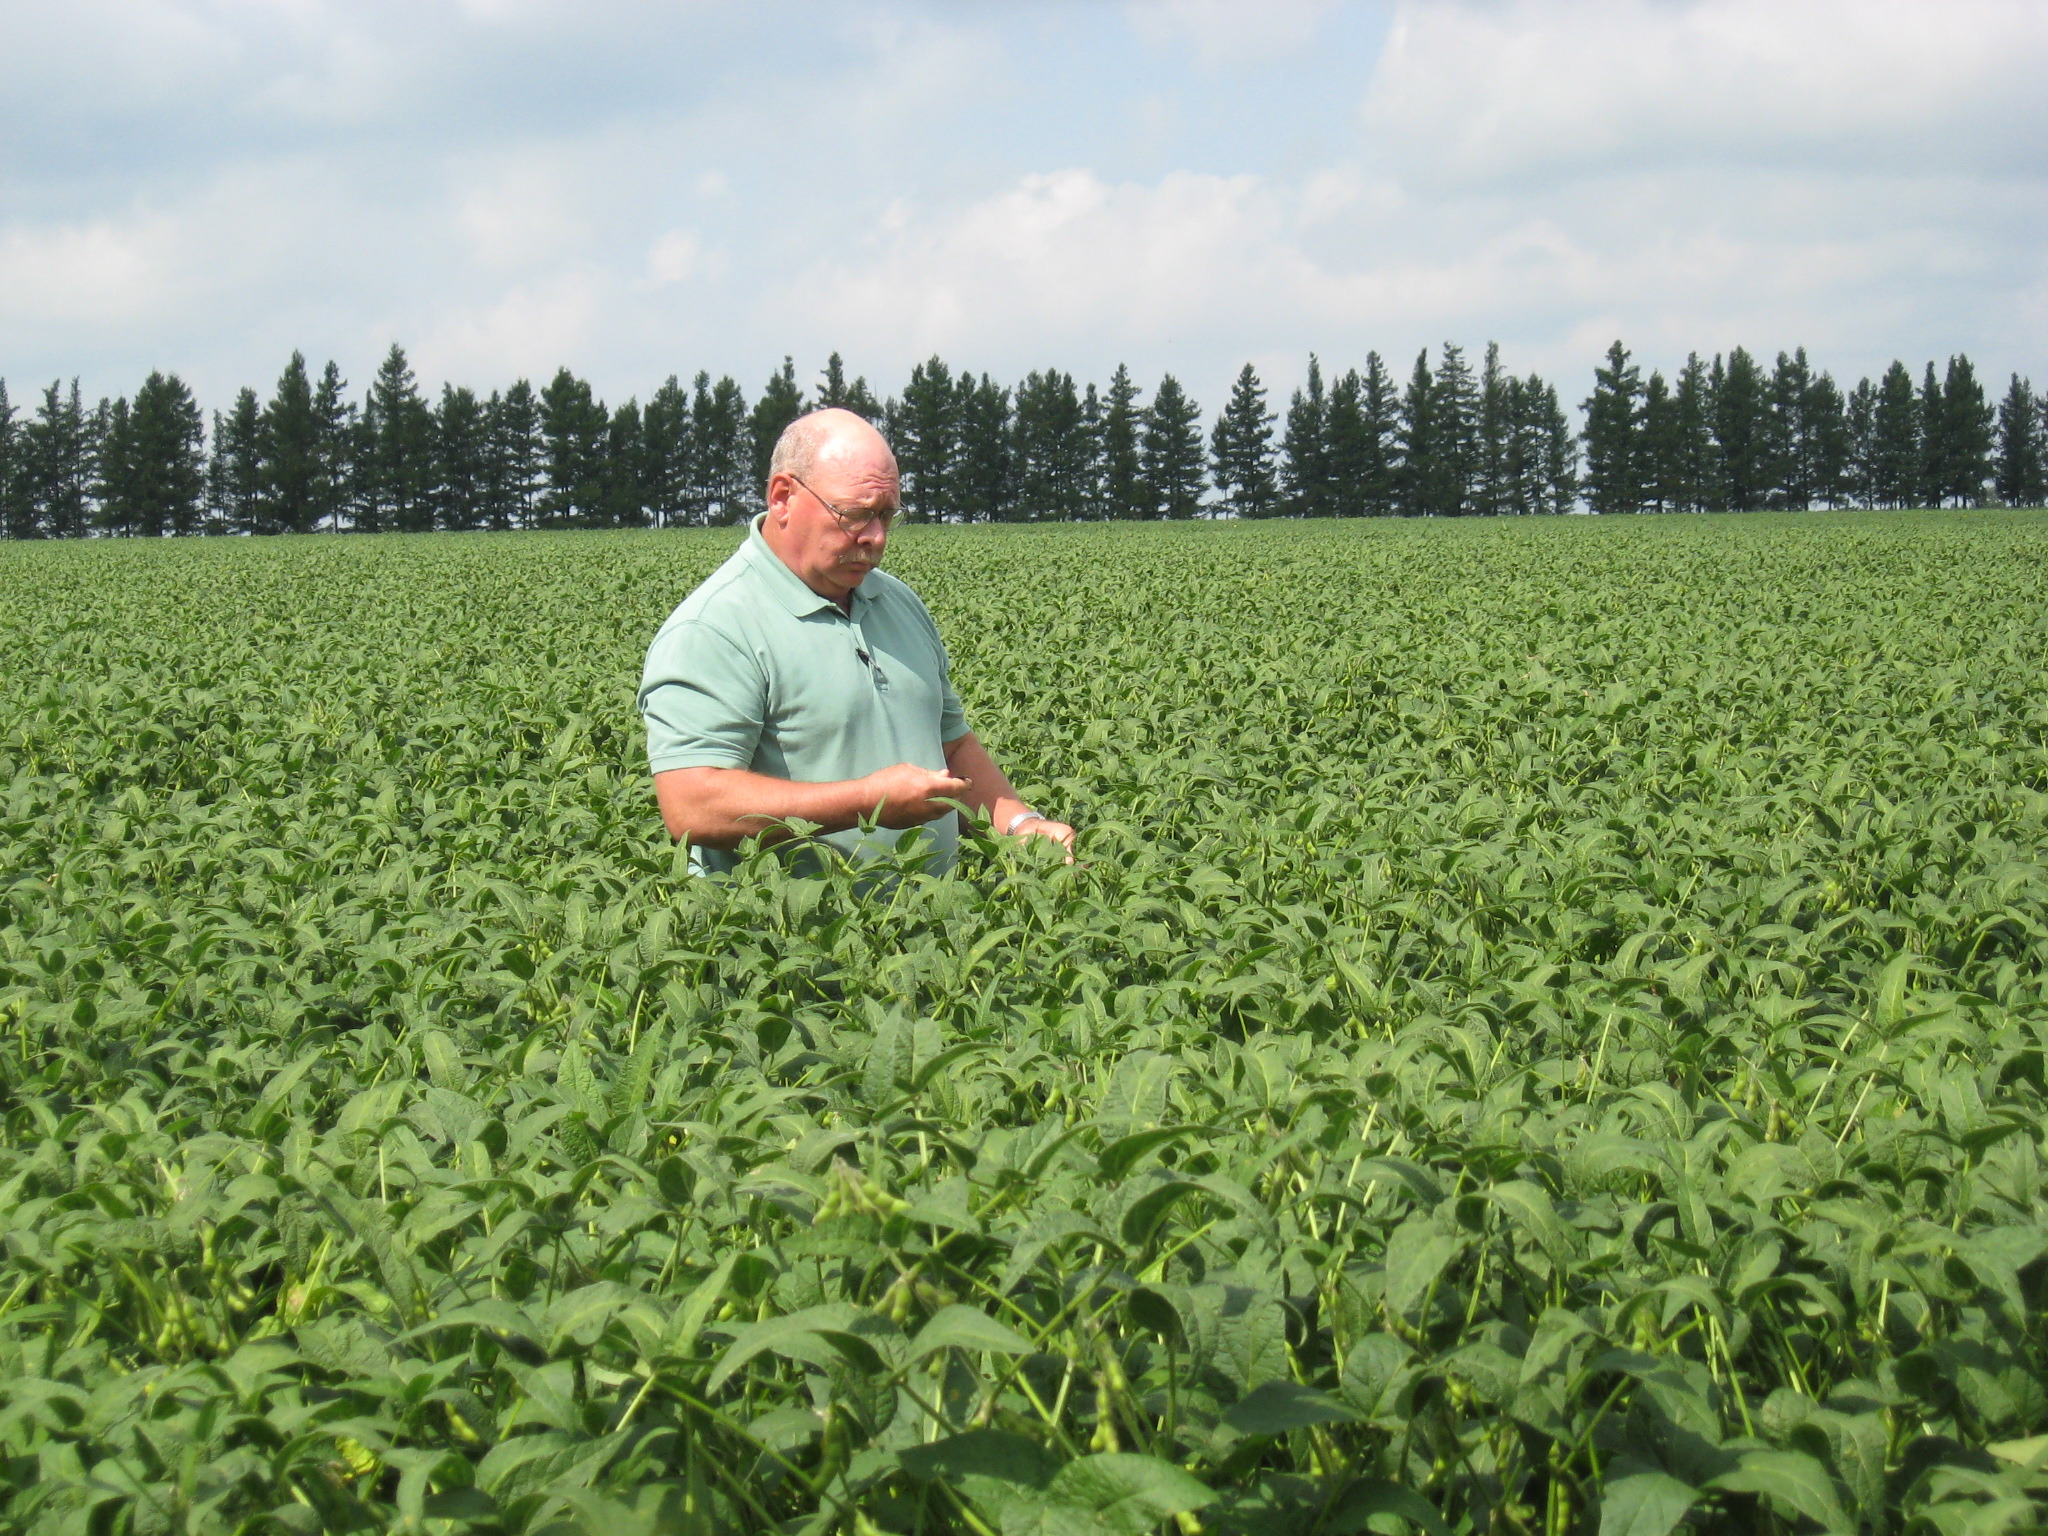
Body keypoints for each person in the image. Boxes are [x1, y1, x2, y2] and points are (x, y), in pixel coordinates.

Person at [638, 407, 1075, 874]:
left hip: (939, 932)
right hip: (787, 939)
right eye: (855, 515)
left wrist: (1019, 824)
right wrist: (866, 803)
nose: (877, 538)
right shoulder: (716, 627)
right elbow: (693, 804)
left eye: (888, 517)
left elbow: (951, 746)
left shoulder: (899, 602)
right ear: (783, 497)